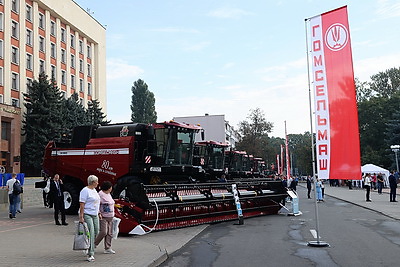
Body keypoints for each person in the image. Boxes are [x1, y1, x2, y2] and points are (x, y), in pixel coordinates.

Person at [79, 175, 101, 262]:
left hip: (95, 213)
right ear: (93, 182)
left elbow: (96, 202)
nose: (98, 183)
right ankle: (90, 253)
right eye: (97, 181)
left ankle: (88, 245)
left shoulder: (94, 190)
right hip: (87, 213)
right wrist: (81, 216)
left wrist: (98, 212)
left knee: (96, 231)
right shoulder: (85, 191)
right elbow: (82, 204)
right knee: (91, 232)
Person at [95, 181, 116, 254]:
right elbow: (96, 204)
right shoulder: (100, 194)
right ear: (108, 188)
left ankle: (108, 247)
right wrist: (98, 213)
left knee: (109, 233)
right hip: (103, 216)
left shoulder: (109, 194)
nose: (111, 189)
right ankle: (94, 244)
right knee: (104, 232)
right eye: (110, 187)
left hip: (110, 216)